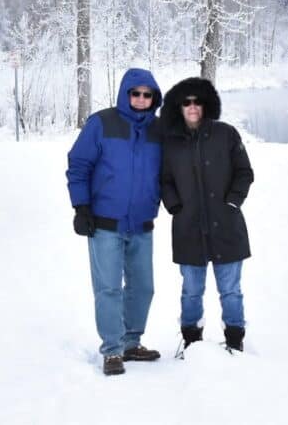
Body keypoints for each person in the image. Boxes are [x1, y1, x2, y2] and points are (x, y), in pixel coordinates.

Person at [66, 68, 165, 376]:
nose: (141, 99)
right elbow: (79, 165)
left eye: (147, 94)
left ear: (154, 98)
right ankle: (112, 350)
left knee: (143, 287)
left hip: (142, 223)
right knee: (109, 288)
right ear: (125, 94)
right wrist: (81, 207)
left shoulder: (160, 131)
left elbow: (171, 171)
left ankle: (132, 342)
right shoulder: (101, 123)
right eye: (135, 93)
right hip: (105, 223)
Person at [160, 77, 254, 354]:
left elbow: (244, 172)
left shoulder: (226, 134)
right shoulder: (170, 142)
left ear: (206, 104)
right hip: (188, 227)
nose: (192, 106)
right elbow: (164, 180)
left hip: (226, 226)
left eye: (197, 101)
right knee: (191, 290)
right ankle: (191, 339)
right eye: (186, 102)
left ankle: (235, 339)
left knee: (231, 290)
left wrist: (233, 202)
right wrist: (174, 205)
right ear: (178, 107)